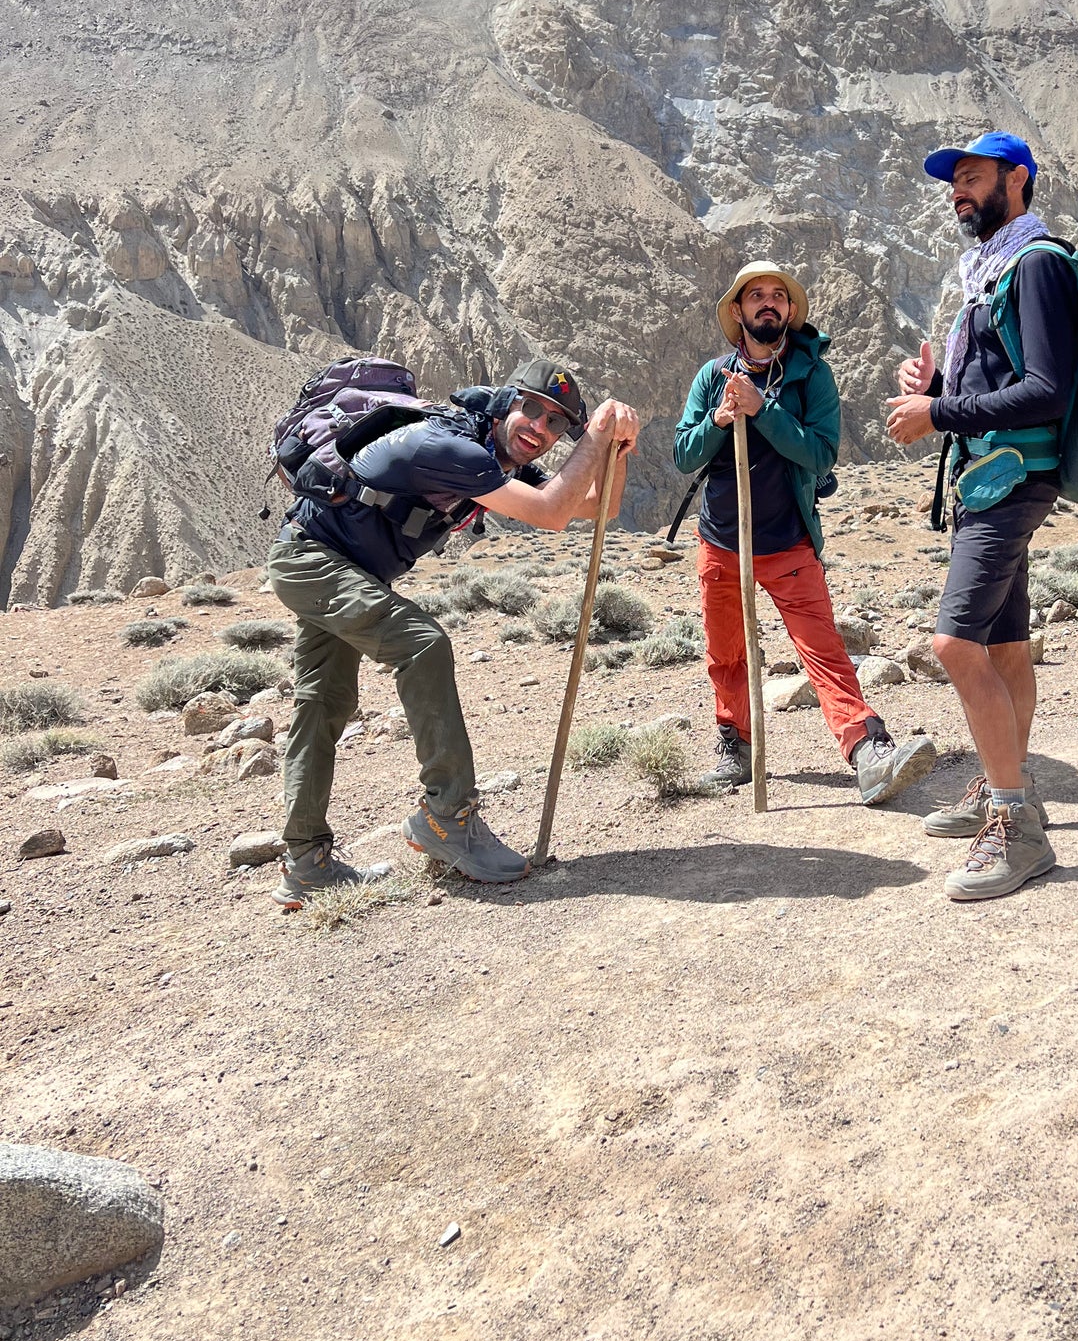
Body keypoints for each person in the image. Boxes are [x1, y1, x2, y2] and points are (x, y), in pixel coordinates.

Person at [267, 359, 639, 909]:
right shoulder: (447, 446)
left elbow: (599, 506)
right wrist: (597, 432)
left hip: (345, 570)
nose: (538, 426)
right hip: (312, 560)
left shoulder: (493, 458)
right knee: (423, 643)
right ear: (507, 401)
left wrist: (615, 452)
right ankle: (448, 817)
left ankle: (305, 865)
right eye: (531, 408)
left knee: (323, 703)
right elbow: (552, 512)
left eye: (556, 423)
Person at [886, 133, 1078, 901]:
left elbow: (1045, 389)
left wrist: (937, 409)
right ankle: (1010, 784)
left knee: (953, 643)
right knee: (1003, 647)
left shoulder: (1032, 265)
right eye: (952, 182)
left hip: (1008, 481)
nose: (956, 191)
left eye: (970, 177)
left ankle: (1016, 826)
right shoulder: (993, 270)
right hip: (994, 477)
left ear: (1017, 178)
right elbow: (1006, 374)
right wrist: (939, 379)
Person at [676, 264, 937, 805]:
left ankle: (867, 749)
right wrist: (722, 420)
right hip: (722, 541)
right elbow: (684, 454)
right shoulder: (712, 377)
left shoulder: (811, 375)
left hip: (789, 542)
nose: (768, 304)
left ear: (790, 312)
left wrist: (762, 409)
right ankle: (735, 745)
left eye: (778, 297)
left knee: (822, 650)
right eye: (756, 297)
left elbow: (820, 453)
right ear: (738, 311)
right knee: (725, 652)